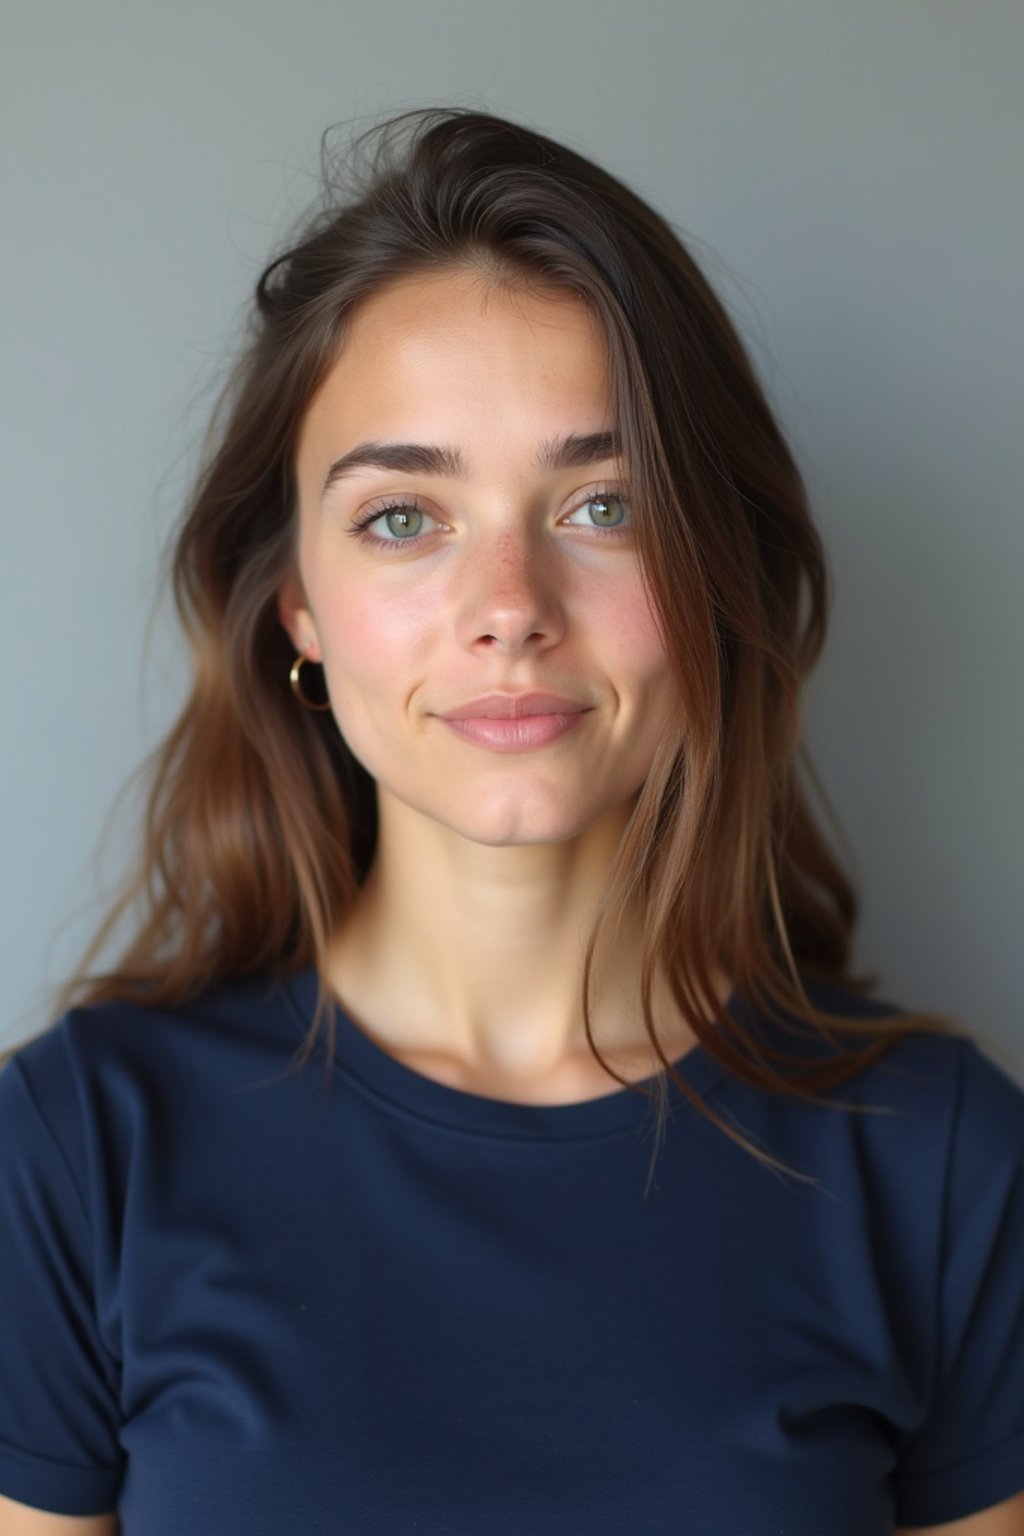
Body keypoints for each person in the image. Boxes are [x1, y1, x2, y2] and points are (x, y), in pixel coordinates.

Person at [1, 106, 1022, 1536]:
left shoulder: (941, 1161)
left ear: (719, 572)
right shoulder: (75, 1152)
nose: (510, 610)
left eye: (603, 503)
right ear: (297, 605)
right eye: (404, 518)